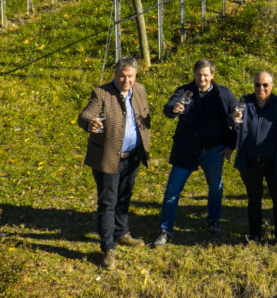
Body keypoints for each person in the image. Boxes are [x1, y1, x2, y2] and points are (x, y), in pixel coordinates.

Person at [77, 57, 151, 269]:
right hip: (108, 157)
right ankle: (108, 247)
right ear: (115, 74)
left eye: (130, 76)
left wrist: (141, 148)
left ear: (136, 75)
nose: (126, 81)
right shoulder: (102, 93)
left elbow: (144, 117)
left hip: (132, 156)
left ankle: (121, 232)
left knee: (125, 195)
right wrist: (89, 123)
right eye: (122, 76)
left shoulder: (140, 90)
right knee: (108, 201)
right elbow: (85, 114)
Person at [153, 59, 237, 247]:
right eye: (199, 74)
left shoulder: (223, 93)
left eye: (206, 75)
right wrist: (174, 109)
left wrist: (231, 144)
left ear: (212, 75)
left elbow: (235, 117)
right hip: (186, 150)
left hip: (214, 150)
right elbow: (169, 106)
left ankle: (213, 221)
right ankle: (166, 230)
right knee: (172, 190)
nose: (202, 78)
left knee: (216, 188)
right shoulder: (184, 91)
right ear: (194, 74)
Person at [233, 71, 277, 244]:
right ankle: (255, 235)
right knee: (254, 200)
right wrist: (234, 120)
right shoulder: (245, 102)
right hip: (251, 162)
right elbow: (235, 129)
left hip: (275, 162)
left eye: (265, 85)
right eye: (257, 85)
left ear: (272, 86)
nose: (261, 88)